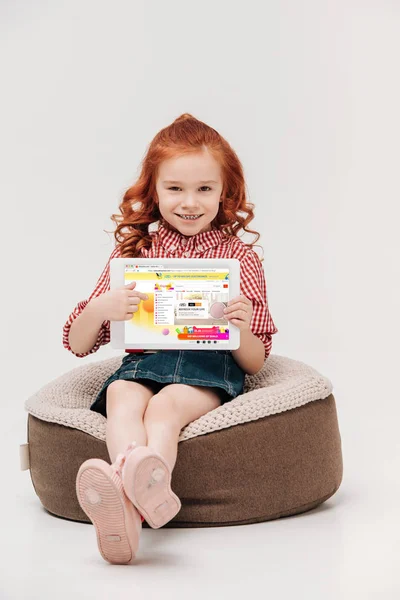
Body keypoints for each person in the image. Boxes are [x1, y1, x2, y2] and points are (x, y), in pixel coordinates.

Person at [63, 113, 278, 565]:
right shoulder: (136, 253)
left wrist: (239, 328)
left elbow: (256, 360)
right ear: (153, 191)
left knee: (165, 407)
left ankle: (130, 500)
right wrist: (100, 309)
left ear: (225, 192)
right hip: (146, 361)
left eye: (205, 188)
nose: (190, 203)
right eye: (174, 188)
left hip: (208, 365)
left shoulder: (238, 257)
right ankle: (132, 502)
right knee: (122, 393)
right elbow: (79, 342)